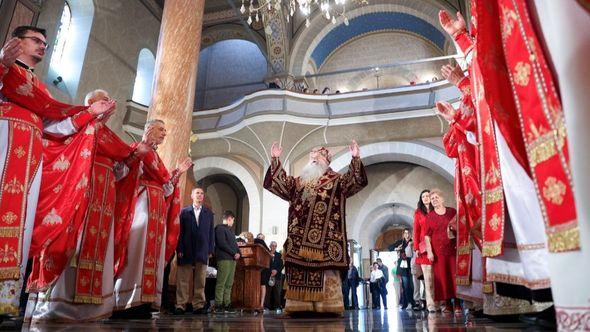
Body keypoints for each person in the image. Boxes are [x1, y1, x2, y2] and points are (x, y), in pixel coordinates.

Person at [439, 7, 554, 319]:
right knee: (515, 217)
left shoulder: (511, 32)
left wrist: (462, 40)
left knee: (533, 209)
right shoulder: (482, 60)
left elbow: (489, 76)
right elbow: (480, 96)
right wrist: (461, 39)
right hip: (495, 152)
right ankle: (539, 294)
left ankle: (550, 293)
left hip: (519, 134)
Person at [0, 26, 115, 319]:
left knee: (23, 224)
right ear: (17, 42)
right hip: (5, 143)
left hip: (30, 159)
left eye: (45, 43)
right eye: (36, 41)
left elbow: (55, 126)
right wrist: (2, 63)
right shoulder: (5, 70)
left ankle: (7, 300)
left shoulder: (41, 88)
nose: (42, 46)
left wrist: (90, 113)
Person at [24, 90, 148, 322]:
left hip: (104, 197)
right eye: (104, 100)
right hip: (78, 194)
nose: (110, 104)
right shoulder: (77, 126)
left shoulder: (110, 136)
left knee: (96, 246)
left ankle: (89, 309)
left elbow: (120, 170)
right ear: (91, 104)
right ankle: (57, 305)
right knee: (73, 245)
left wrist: (131, 159)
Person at [263, 140, 367, 314]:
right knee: (299, 272)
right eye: (311, 154)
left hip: (326, 242)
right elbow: (277, 184)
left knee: (326, 274)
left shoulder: (337, 181)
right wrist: (275, 159)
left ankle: (326, 308)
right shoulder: (298, 183)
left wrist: (356, 158)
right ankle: (299, 307)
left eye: (317, 154)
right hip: (299, 240)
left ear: (326, 160)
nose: (312, 156)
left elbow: (356, 181)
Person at [112, 119, 193, 318]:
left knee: (152, 254)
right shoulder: (137, 148)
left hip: (156, 209)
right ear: (148, 129)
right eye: (161, 129)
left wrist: (178, 173)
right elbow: (122, 171)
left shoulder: (155, 155)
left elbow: (166, 185)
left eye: (165, 130)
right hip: (141, 205)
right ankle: (126, 300)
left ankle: (145, 302)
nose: (164, 133)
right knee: (137, 250)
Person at [174, 187, 215, 315]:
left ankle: (198, 305)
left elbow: (211, 233)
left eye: (202, 194)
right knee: (183, 279)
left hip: (202, 250)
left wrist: (210, 249)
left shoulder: (209, 213)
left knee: (200, 279)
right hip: (186, 249)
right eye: (197, 193)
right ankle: (181, 305)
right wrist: (179, 247)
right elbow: (179, 232)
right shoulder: (184, 212)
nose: (199, 195)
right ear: (192, 196)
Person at [424, 189, 459, 314]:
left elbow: (460, 227)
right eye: (432, 198)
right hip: (438, 252)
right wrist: (430, 252)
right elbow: (427, 236)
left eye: (436, 197)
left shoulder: (452, 212)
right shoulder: (429, 217)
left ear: (442, 198)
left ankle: (458, 303)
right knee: (443, 278)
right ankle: (448, 303)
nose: (434, 200)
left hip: (453, 249)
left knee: (454, 276)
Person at [214, 210, 241, 314]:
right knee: (222, 282)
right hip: (224, 258)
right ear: (229, 219)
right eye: (232, 220)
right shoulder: (220, 228)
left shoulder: (230, 231)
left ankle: (227, 304)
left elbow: (235, 244)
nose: (232, 222)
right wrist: (234, 253)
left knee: (229, 283)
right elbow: (222, 243)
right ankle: (218, 304)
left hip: (232, 259)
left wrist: (238, 253)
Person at [412, 190, 435, 312]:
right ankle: (430, 304)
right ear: (421, 199)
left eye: (427, 196)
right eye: (423, 196)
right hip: (423, 247)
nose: (426, 198)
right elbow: (415, 231)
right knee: (427, 278)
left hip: (437, 245)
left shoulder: (436, 210)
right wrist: (416, 248)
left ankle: (441, 303)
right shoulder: (418, 213)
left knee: (437, 277)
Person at [395, 230, 419, 311]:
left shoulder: (412, 242)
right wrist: (397, 248)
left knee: (411, 285)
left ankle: (413, 302)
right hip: (403, 267)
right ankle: (406, 303)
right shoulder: (401, 242)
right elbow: (391, 247)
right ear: (403, 235)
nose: (407, 234)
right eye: (405, 233)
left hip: (411, 264)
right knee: (405, 286)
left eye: (408, 233)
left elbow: (411, 254)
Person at [265, 241, 284, 312]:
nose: (273, 247)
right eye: (272, 245)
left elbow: (281, 265)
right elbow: (265, 264)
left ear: (276, 247)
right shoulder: (267, 254)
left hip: (277, 276)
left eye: (275, 246)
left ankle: (278, 307)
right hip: (268, 275)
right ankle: (266, 306)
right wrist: (270, 271)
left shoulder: (279, 255)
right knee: (267, 292)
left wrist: (276, 271)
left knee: (277, 292)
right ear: (270, 246)